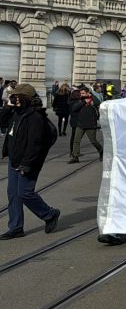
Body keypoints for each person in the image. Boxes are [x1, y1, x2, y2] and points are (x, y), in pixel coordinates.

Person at [0, 84, 61, 239]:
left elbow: (35, 144)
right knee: (13, 194)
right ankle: (15, 227)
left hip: (28, 162)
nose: (15, 99)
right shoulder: (16, 112)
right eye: (13, 96)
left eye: (18, 96)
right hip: (15, 159)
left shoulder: (35, 117)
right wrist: (8, 106)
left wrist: (26, 164)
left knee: (25, 193)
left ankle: (49, 214)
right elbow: (1, 122)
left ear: (26, 98)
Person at [68, 85, 104, 163]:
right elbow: (74, 108)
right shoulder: (80, 100)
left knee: (93, 141)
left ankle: (101, 151)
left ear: (88, 93)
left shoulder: (92, 100)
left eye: (83, 93)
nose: (81, 95)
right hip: (80, 124)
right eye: (81, 93)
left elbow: (98, 102)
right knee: (76, 141)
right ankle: (75, 157)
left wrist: (91, 95)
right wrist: (84, 101)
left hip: (90, 124)